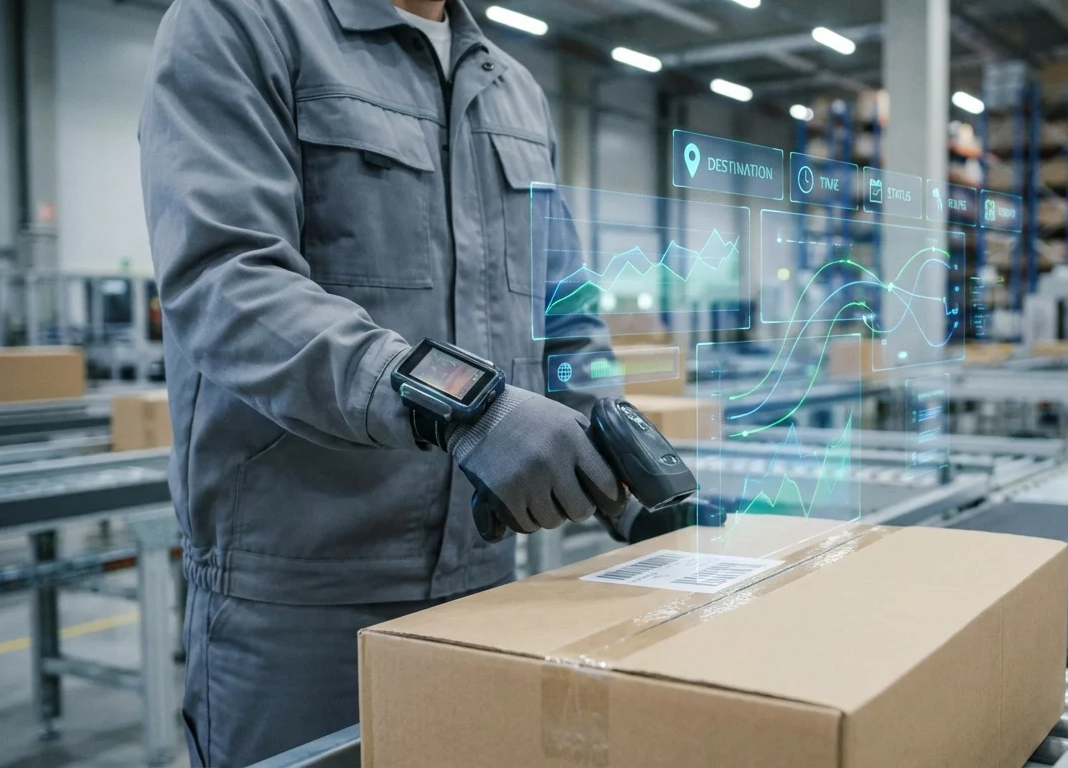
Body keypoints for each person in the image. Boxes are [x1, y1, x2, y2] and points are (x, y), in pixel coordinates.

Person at [140, 0, 699, 763]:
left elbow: (563, 314)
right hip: (301, 593)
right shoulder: (241, 23)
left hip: (487, 577)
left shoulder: (512, 89)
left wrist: (629, 483)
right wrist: (470, 408)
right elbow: (229, 282)